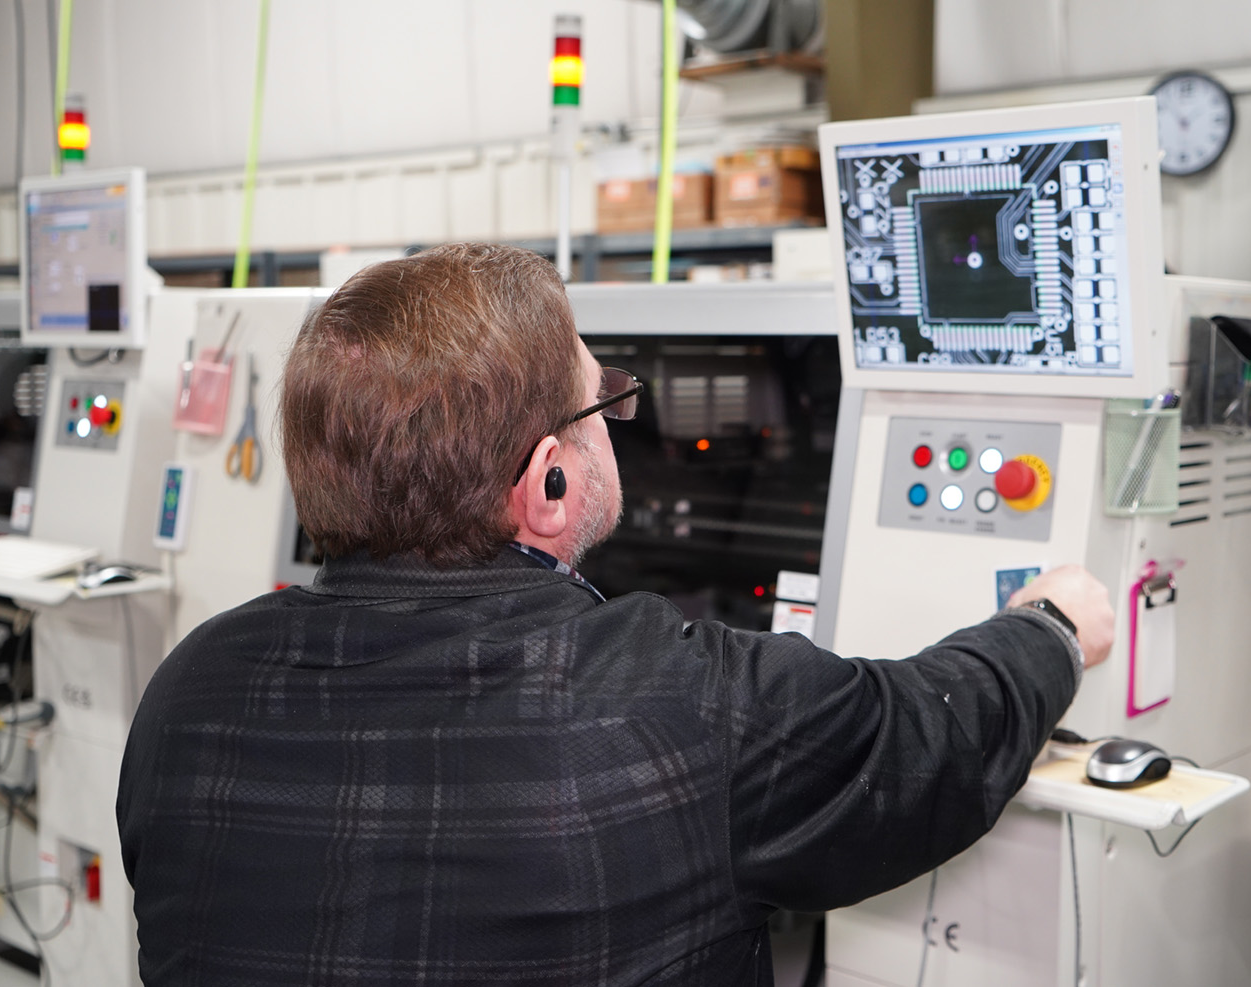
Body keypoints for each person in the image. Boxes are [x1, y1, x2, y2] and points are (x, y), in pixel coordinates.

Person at [117, 242, 1114, 987]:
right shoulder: (686, 704)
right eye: (602, 410)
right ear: (548, 483)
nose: (614, 433)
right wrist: (1051, 626)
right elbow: (924, 735)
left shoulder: (187, 692)